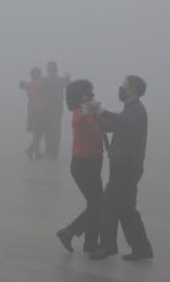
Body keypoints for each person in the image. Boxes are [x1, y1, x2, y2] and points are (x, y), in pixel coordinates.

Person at [87, 75, 154, 261]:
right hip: (124, 166)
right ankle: (142, 248)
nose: (120, 88)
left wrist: (102, 111)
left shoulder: (137, 111)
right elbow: (111, 126)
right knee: (126, 209)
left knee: (108, 206)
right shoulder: (129, 110)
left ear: (132, 89)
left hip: (127, 167)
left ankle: (107, 246)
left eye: (124, 86)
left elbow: (125, 126)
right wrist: (95, 114)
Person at [56, 80, 104, 253]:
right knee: (98, 204)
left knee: (95, 205)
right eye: (87, 92)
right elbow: (79, 118)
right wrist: (90, 107)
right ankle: (69, 232)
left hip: (93, 163)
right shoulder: (79, 113)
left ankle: (90, 243)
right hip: (83, 165)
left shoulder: (89, 113)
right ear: (78, 96)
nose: (91, 94)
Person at [42, 61, 71, 159]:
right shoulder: (46, 80)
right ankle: (50, 150)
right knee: (49, 129)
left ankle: (54, 151)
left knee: (54, 129)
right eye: (49, 67)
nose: (49, 69)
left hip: (55, 108)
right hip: (49, 108)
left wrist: (67, 79)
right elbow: (68, 84)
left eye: (50, 67)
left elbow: (68, 84)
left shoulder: (54, 80)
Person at [19, 67, 47, 159]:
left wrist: (23, 84)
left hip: (32, 111)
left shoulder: (30, 84)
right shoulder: (40, 84)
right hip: (39, 111)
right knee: (39, 131)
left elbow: (22, 86)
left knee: (37, 131)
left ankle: (33, 151)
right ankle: (34, 151)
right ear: (38, 75)